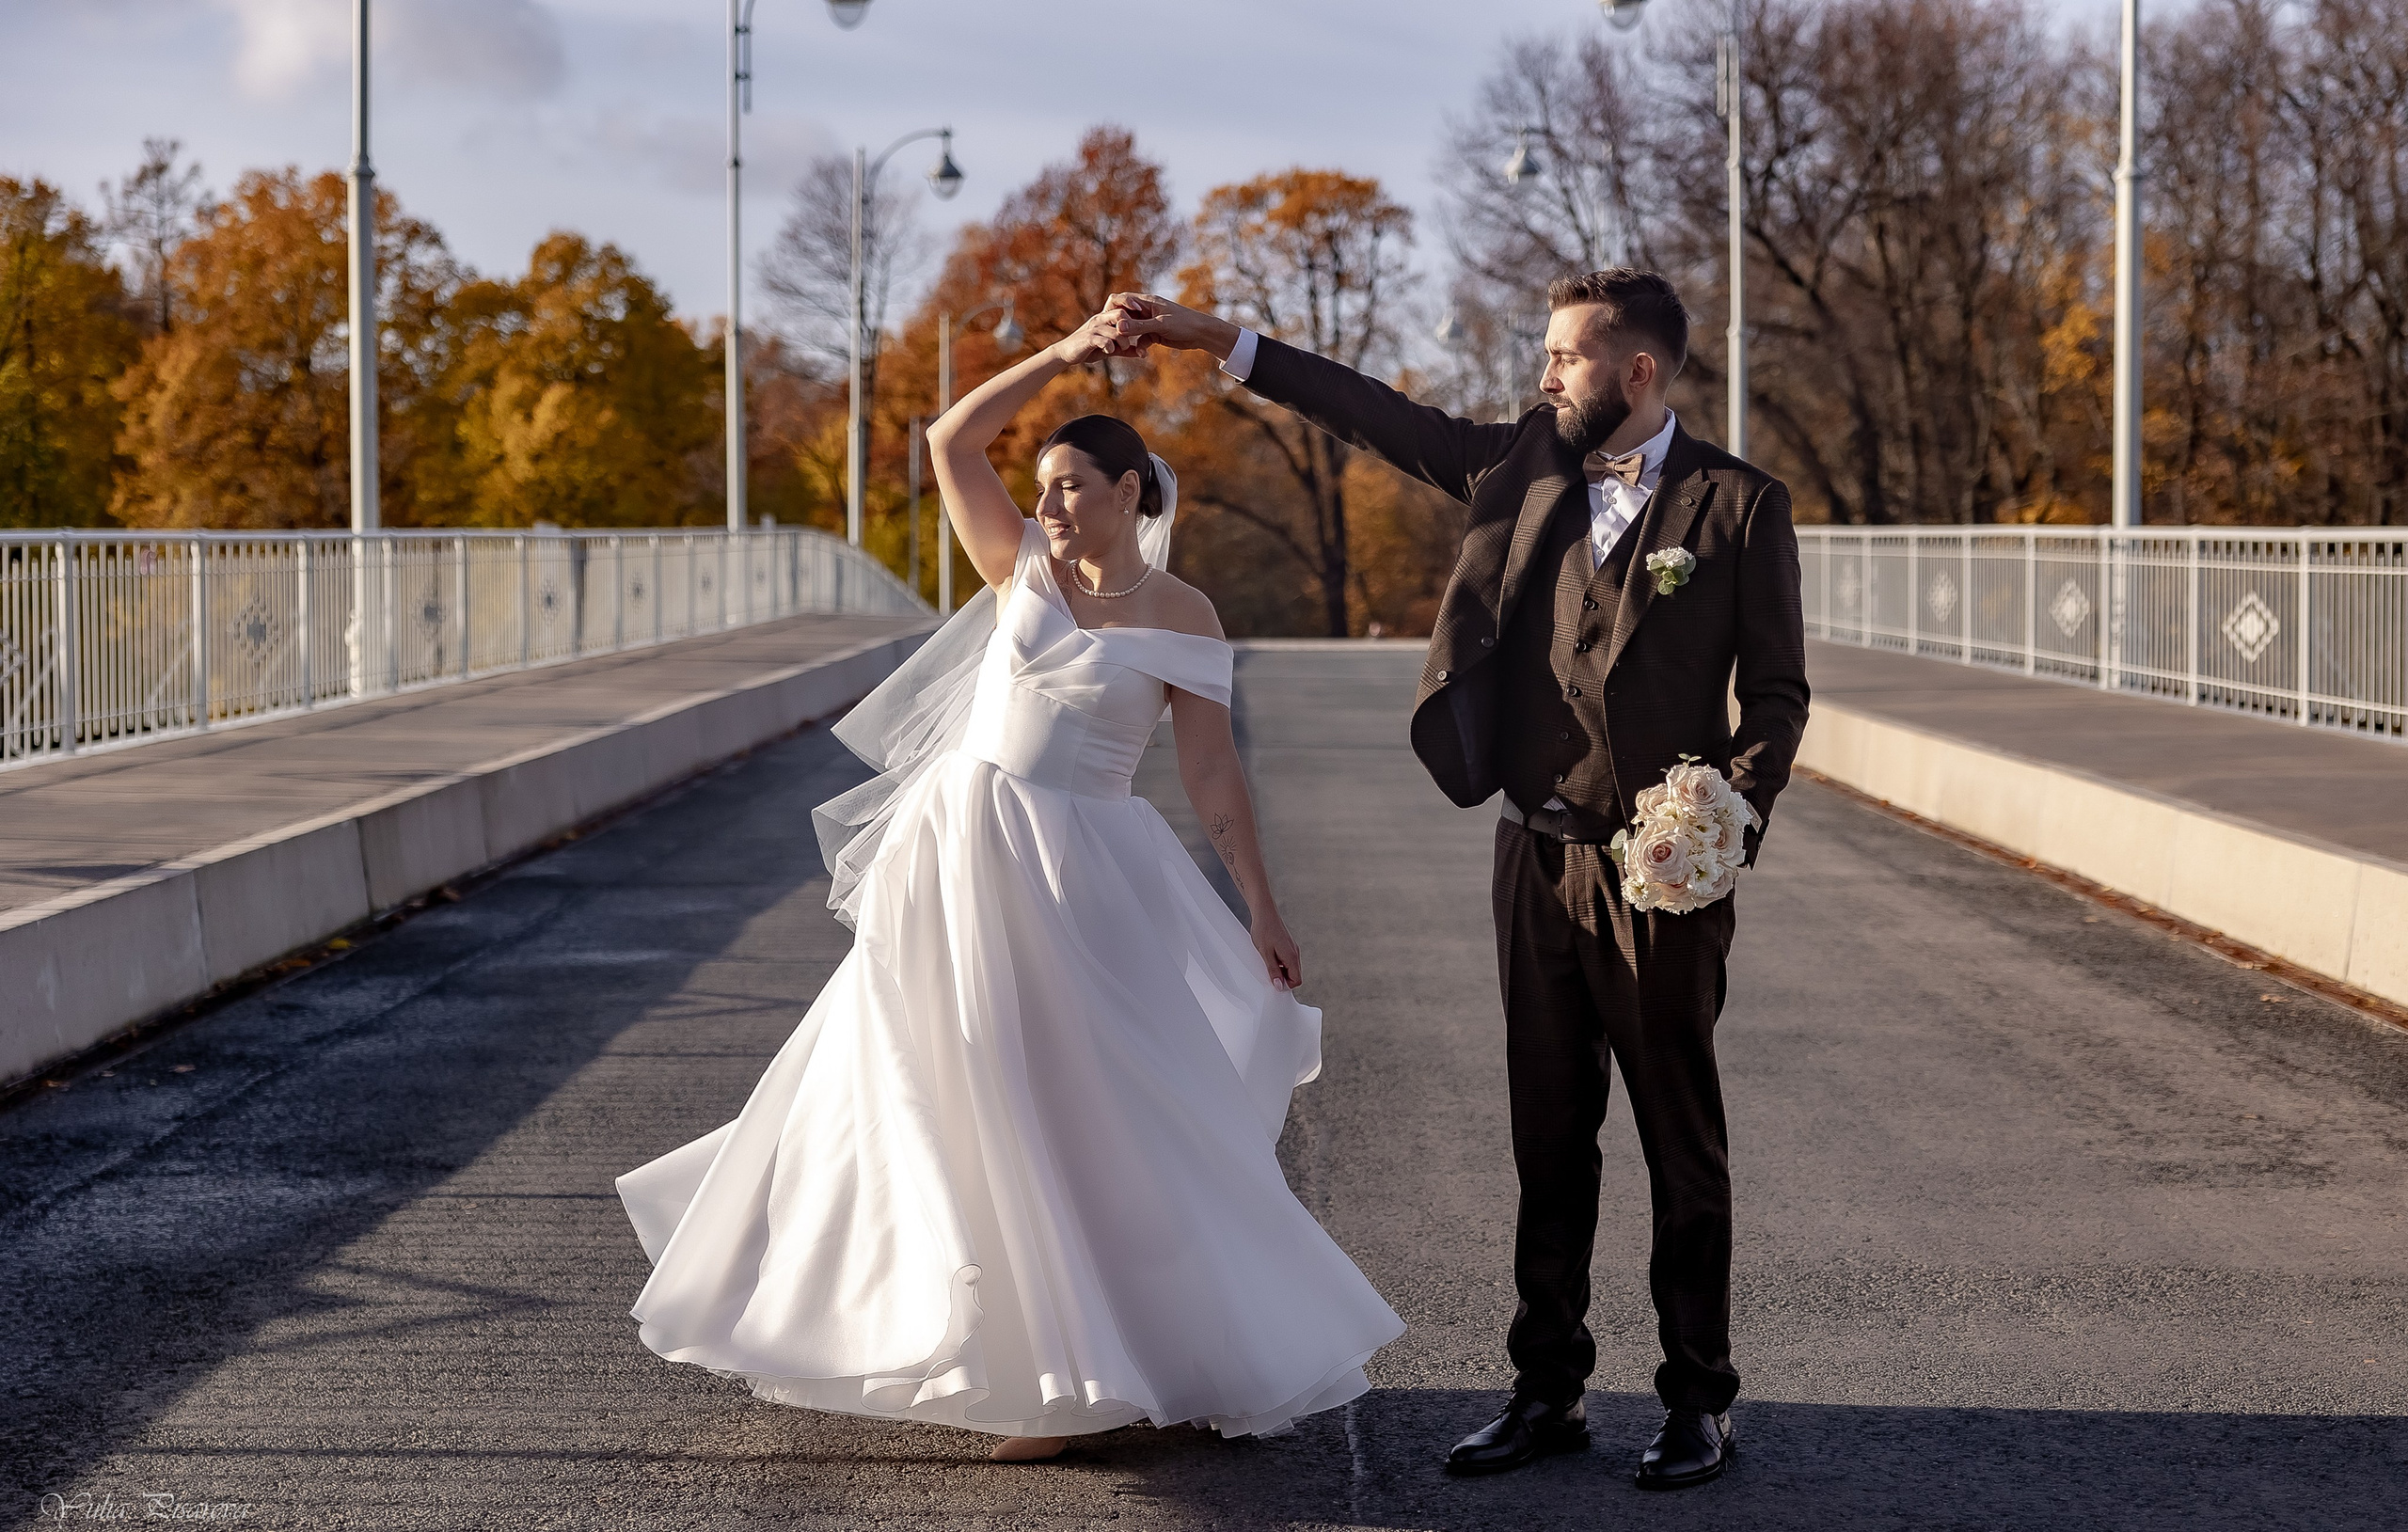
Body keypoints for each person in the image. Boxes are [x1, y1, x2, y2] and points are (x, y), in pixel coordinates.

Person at [612, 308, 1402, 1464]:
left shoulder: (1186, 620)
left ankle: (1105, 1365)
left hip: (1082, 871)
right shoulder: (1018, 566)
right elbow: (948, 439)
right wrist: (1067, 351)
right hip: (959, 854)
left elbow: (1211, 777)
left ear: (1134, 490)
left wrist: (1262, 909)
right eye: (1042, 486)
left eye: (1074, 485)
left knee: (1081, 1105)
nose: (1050, 505)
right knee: (939, 1084)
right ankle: (1000, 1352)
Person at [1107, 269, 1809, 1491]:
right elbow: (1378, 414)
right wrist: (1216, 336)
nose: (1545, 375)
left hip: (1664, 880)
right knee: (1549, 1133)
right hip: (1533, 853)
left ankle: (1700, 1397)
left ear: (1637, 372)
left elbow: (1779, 699)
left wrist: (1720, 821)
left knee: (1678, 1136)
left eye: (1567, 357)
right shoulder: (1524, 467)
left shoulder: (1739, 507)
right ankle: (1548, 1389)